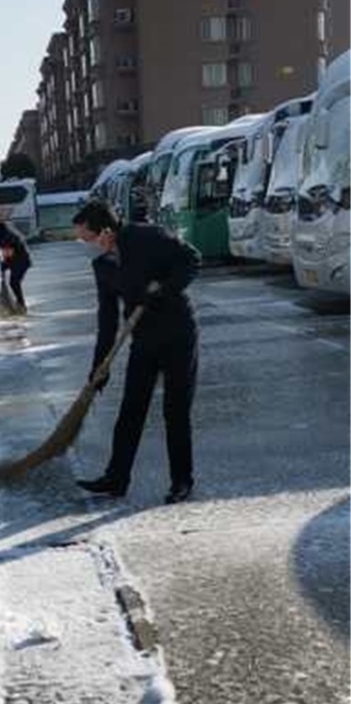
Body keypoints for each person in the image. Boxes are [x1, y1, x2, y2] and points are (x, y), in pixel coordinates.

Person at [72, 200, 201, 505]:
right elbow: (107, 318)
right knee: (131, 409)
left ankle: (181, 481)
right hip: (143, 339)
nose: (86, 245)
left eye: (87, 238)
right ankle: (116, 478)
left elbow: (191, 259)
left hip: (177, 333)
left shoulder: (147, 237)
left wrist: (164, 290)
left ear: (105, 232)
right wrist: (100, 366)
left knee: (175, 410)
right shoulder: (102, 265)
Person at [0, 217, 31, 314]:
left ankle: (21, 305)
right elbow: (7, 253)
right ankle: (19, 303)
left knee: (14, 282)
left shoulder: (4, 235)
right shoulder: (2, 232)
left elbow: (8, 252)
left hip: (21, 260)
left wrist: (4, 265)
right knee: (14, 283)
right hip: (18, 260)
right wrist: (4, 265)